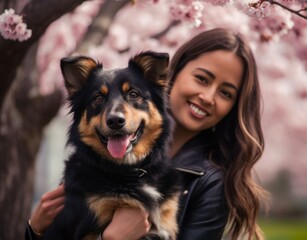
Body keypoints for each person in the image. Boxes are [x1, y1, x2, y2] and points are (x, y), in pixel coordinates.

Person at [26, 28, 268, 240]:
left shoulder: (210, 182)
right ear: (175, 72)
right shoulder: (83, 173)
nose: (208, 97)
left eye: (225, 93)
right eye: (202, 79)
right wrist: (34, 231)